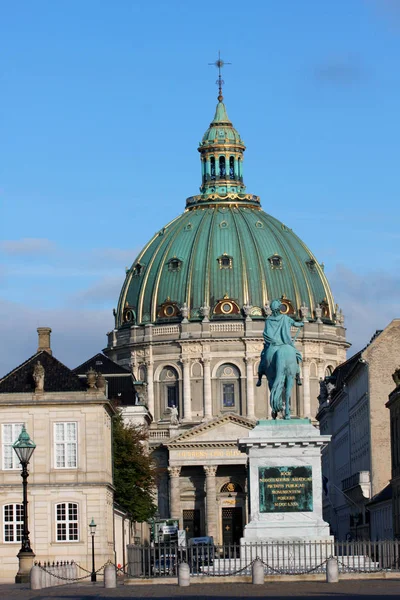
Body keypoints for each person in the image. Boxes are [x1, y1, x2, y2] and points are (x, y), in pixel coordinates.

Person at [262, 299, 304, 385]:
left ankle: (260, 375)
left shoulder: (268, 320)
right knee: (296, 356)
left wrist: (272, 341)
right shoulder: (285, 318)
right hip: (285, 343)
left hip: (273, 345)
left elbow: (266, 334)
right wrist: (301, 324)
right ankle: (298, 374)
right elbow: (295, 324)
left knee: (263, 357)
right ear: (279, 308)